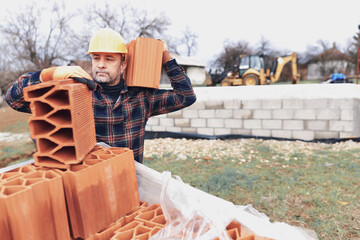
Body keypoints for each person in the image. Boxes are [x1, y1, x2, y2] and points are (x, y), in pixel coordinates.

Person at [5, 27, 196, 163]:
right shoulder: (77, 92)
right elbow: (13, 99)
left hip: (130, 179)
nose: (101, 64)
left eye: (109, 59)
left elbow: (185, 96)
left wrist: (166, 57)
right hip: (92, 182)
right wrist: (48, 75)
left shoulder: (141, 97)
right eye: (96, 58)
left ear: (123, 65)